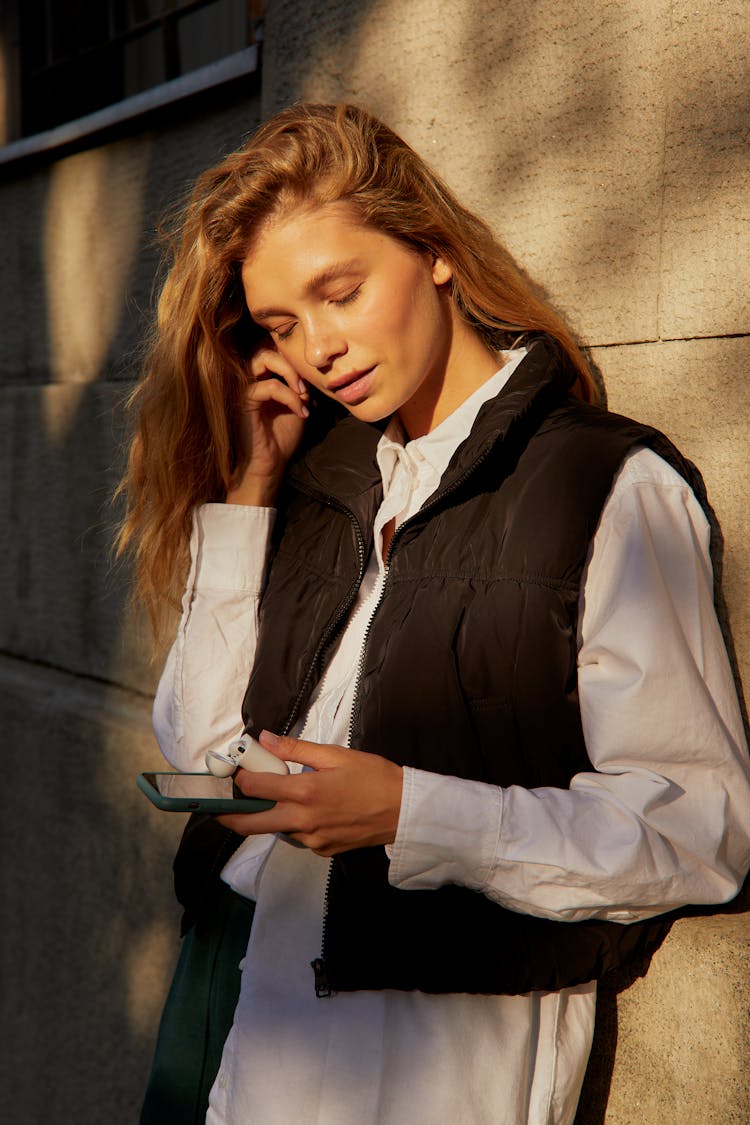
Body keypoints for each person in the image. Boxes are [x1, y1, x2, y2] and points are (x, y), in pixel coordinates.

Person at [119, 103, 750, 1124]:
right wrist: (245, 494)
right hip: (248, 1037)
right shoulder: (321, 485)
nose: (318, 348)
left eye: (340, 292)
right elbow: (204, 746)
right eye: (282, 325)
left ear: (433, 252)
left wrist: (417, 814)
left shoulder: (605, 483)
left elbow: (702, 832)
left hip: (439, 1067)